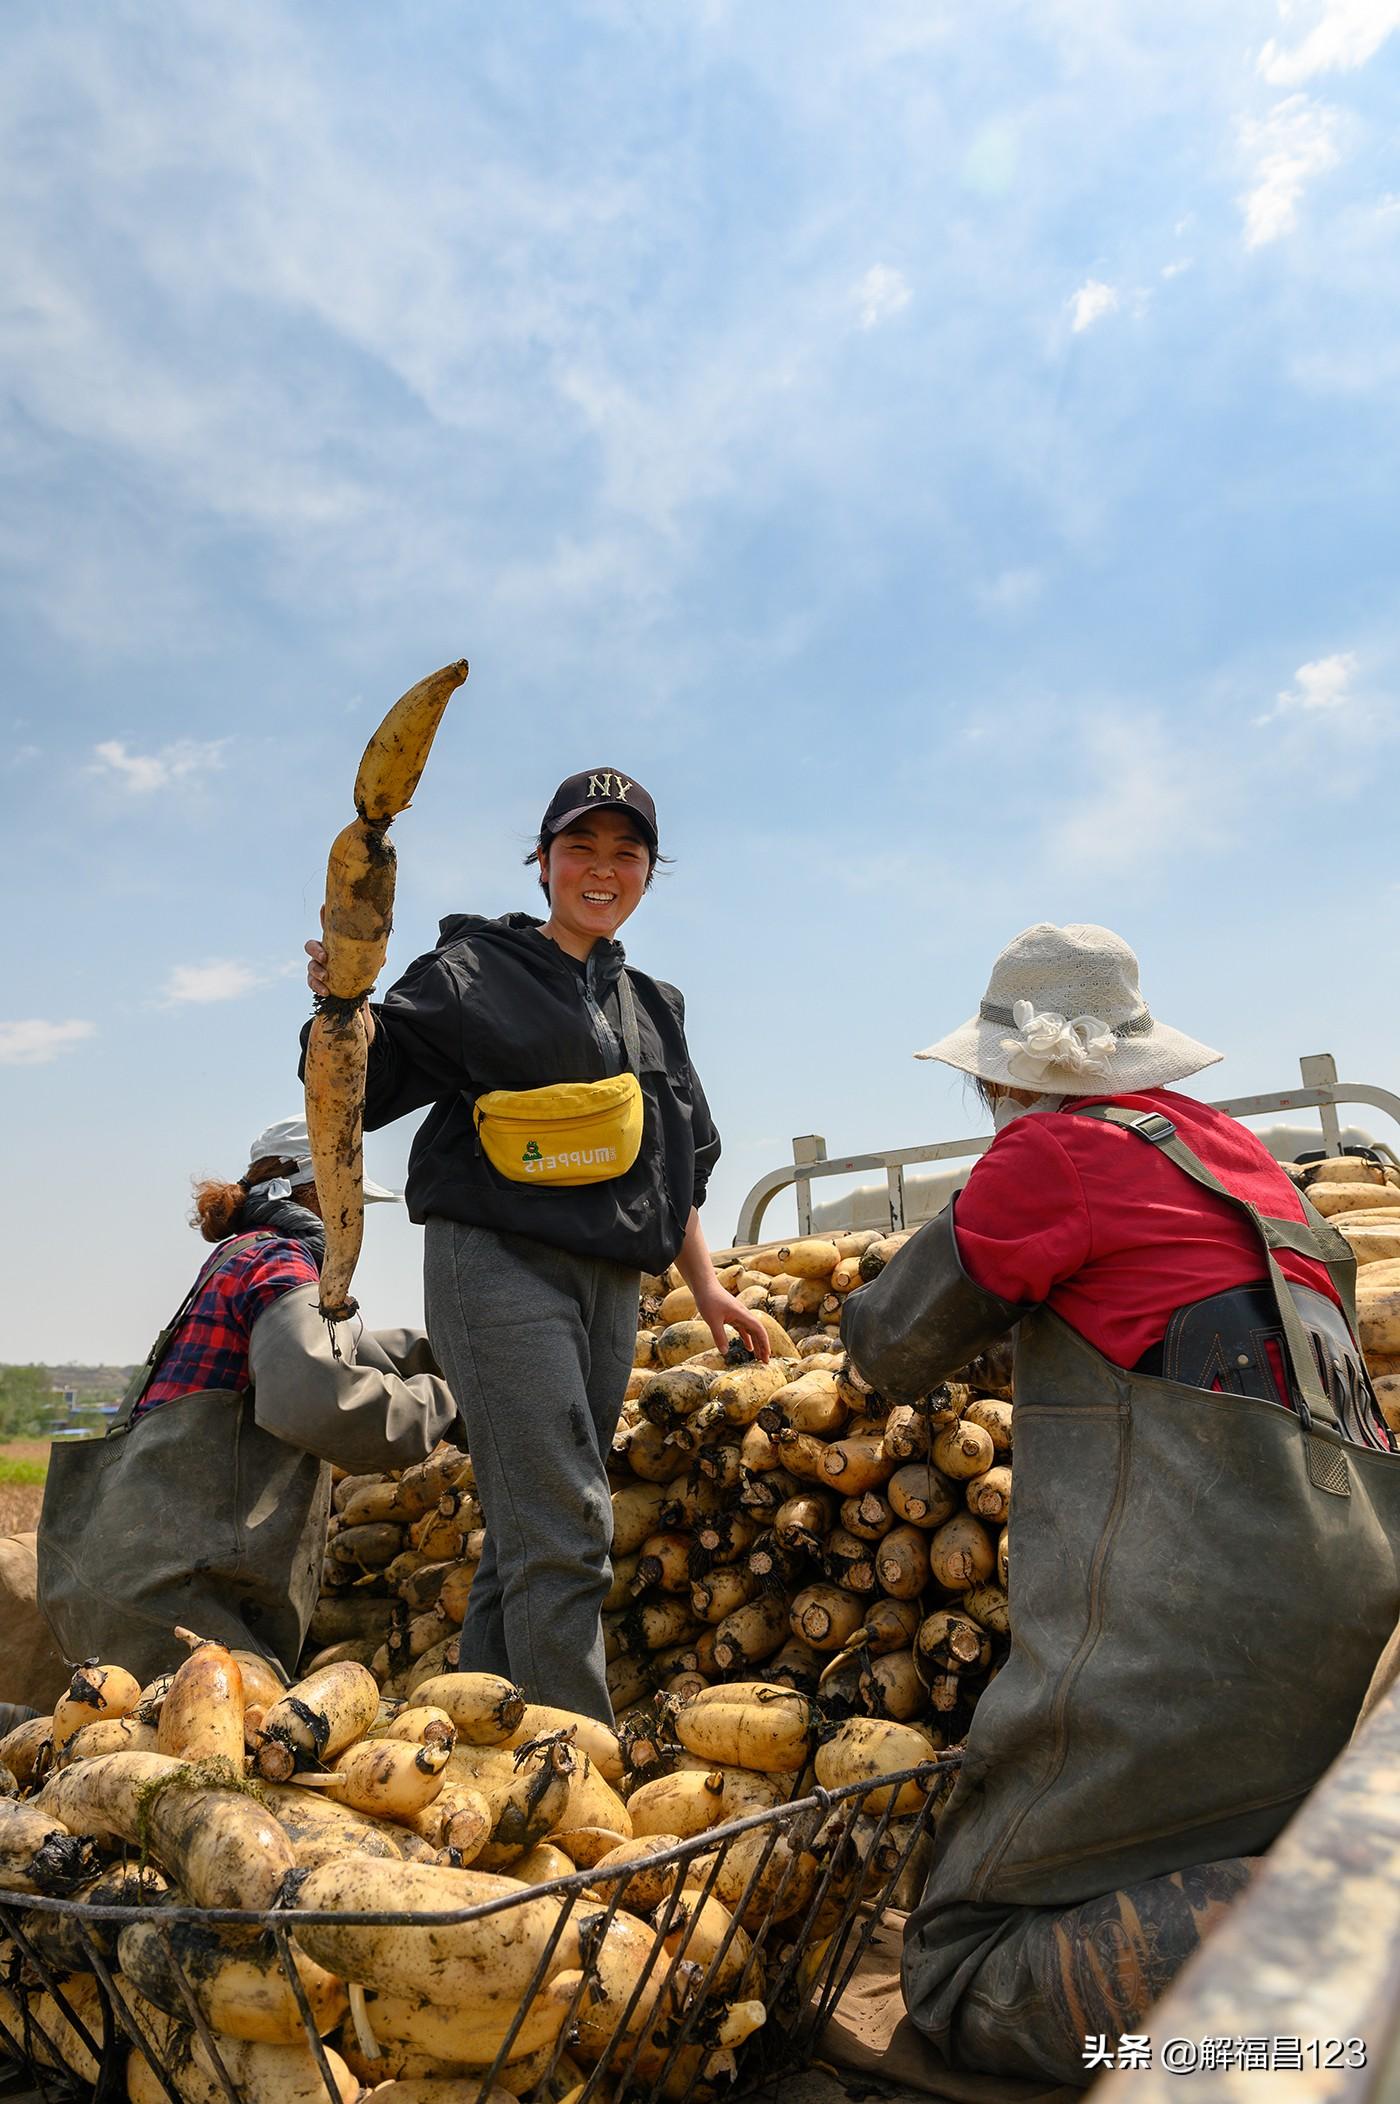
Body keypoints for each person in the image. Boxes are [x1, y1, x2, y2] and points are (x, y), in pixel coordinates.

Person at [840, 922, 1400, 2088]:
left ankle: (1319, 1945)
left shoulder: (1051, 1153)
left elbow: (887, 1343)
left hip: (1195, 1638)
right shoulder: (1240, 1160)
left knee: (956, 1967)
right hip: (1344, 1605)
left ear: (1004, 1076)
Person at [303, 767, 768, 1725]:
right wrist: (343, 1005)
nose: (602, 869)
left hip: (609, 1284)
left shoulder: (654, 1006)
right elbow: (363, 1083)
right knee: (567, 1521)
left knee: (530, 1527)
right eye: (579, 848)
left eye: (625, 853)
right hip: (498, 1266)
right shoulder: (473, 971)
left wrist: (708, 1289)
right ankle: (576, 1757)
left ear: (648, 872)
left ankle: (489, 1737)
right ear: (544, 862)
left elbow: (676, 1165)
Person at [38, 1116, 461, 1686]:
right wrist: (450, 1402)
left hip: (129, 1580)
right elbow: (318, 1398)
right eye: (351, 1203)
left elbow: (346, 1348)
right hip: (173, 1600)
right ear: (316, 1193)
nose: (356, 1222)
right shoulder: (279, 1262)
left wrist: (454, 1360)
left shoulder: (243, 1255)